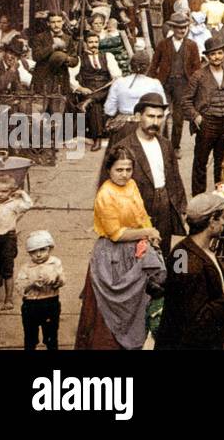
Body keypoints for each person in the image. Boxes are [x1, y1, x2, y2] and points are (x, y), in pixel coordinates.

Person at [75, 146, 167, 350]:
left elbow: (142, 215)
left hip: (135, 250)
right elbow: (116, 234)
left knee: (138, 304)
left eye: (128, 169)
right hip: (111, 256)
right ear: (109, 169)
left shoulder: (132, 185)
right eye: (119, 170)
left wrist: (151, 232)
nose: (124, 175)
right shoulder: (105, 195)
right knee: (110, 312)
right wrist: (146, 233)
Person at [155, 193, 224, 350]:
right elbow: (197, 321)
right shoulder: (191, 263)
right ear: (211, 221)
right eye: (221, 218)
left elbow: (185, 297)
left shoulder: (182, 250)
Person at [97, 92, 187, 252]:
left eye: (160, 117)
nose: (155, 122)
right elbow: (106, 185)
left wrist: (182, 208)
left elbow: (174, 178)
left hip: (164, 206)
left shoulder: (166, 145)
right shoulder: (124, 148)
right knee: (137, 258)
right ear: (138, 116)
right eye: (150, 116)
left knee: (162, 255)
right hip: (136, 209)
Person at [180, 33, 224, 196]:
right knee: (201, 161)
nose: (217, 57)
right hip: (207, 123)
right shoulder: (198, 75)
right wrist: (196, 117)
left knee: (222, 161)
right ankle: (198, 197)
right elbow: (186, 100)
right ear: (207, 56)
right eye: (212, 54)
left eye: (219, 53)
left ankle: (220, 195)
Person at [149, 10, 202, 152]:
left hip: (183, 85)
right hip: (165, 83)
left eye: (185, 28)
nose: (182, 30)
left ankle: (175, 147)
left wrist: (196, 85)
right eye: (179, 28)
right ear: (172, 28)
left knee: (178, 118)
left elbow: (197, 68)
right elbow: (154, 64)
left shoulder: (192, 45)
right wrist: (150, 82)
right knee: (162, 114)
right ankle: (162, 143)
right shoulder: (163, 44)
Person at [0, 175, 33, 307]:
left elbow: (28, 205)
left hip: (7, 239)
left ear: (11, 192)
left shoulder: (14, 205)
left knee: (7, 269)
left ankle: (8, 299)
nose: (0, 194)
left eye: (4, 191)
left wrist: (22, 193)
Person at [69, 30, 120, 152]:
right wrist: (80, 88)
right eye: (91, 42)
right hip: (88, 90)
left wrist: (111, 85)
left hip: (105, 89)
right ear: (86, 44)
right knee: (95, 104)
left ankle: (89, 101)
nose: (94, 44)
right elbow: (70, 77)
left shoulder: (107, 56)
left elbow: (117, 76)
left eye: (96, 42)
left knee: (111, 88)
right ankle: (97, 139)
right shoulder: (80, 59)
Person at [15, 230, 63, 351]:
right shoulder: (26, 267)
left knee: (51, 336)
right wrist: (31, 283)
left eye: (42, 250)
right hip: (31, 306)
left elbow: (62, 279)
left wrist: (55, 280)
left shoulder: (55, 263)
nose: (38, 255)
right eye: (33, 252)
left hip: (50, 303)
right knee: (30, 338)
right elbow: (19, 286)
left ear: (50, 249)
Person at [30, 10, 75, 115]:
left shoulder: (68, 39)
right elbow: (36, 56)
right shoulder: (39, 37)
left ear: (63, 22)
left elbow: (75, 59)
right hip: (42, 81)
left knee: (57, 117)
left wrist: (67, 59)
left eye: (59, 21)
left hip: (60, 82)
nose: (56, 25)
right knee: (37, 117)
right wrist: (52, 47)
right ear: (48, 23)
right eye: (53, 22)